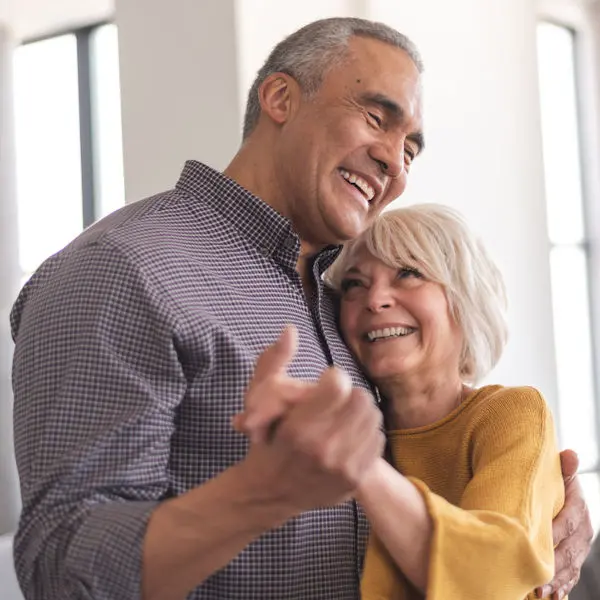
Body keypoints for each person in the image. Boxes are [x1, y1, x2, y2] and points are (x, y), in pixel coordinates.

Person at [9, 17, 590, 600]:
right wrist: (259, 493)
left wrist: (544, 513)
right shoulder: (120, 269)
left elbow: (447, 453)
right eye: (375, 117)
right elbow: (62, 569)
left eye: (410, 147)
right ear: (281, 98)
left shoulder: (346, 298)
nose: (395, 161)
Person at [238, 204, 576, 599]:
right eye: (354, 285)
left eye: (409, 273)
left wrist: (357, 464)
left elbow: (491, 579)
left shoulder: (512, 413)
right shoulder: (348, 426)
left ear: (464, 299)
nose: (375, 299)